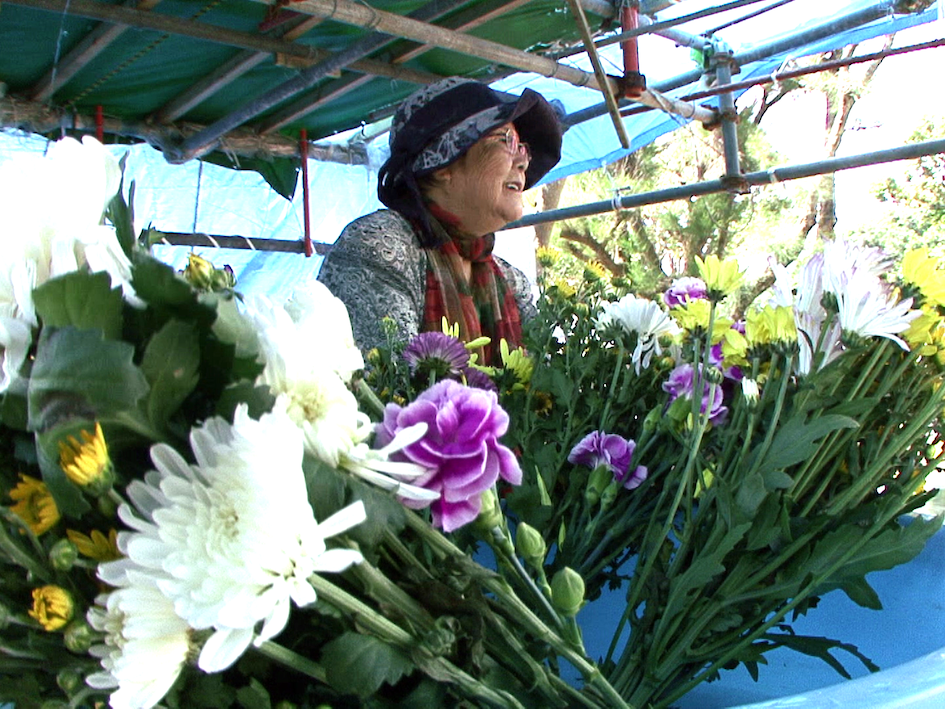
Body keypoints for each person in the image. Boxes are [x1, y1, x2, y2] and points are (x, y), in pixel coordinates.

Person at [317, 77, 563, 366]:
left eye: (523, 147)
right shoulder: (379, 249)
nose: (523, 161)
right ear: (442, 165)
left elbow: (546, 381)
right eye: (506, 140)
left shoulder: (510, 282)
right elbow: (393, 385)